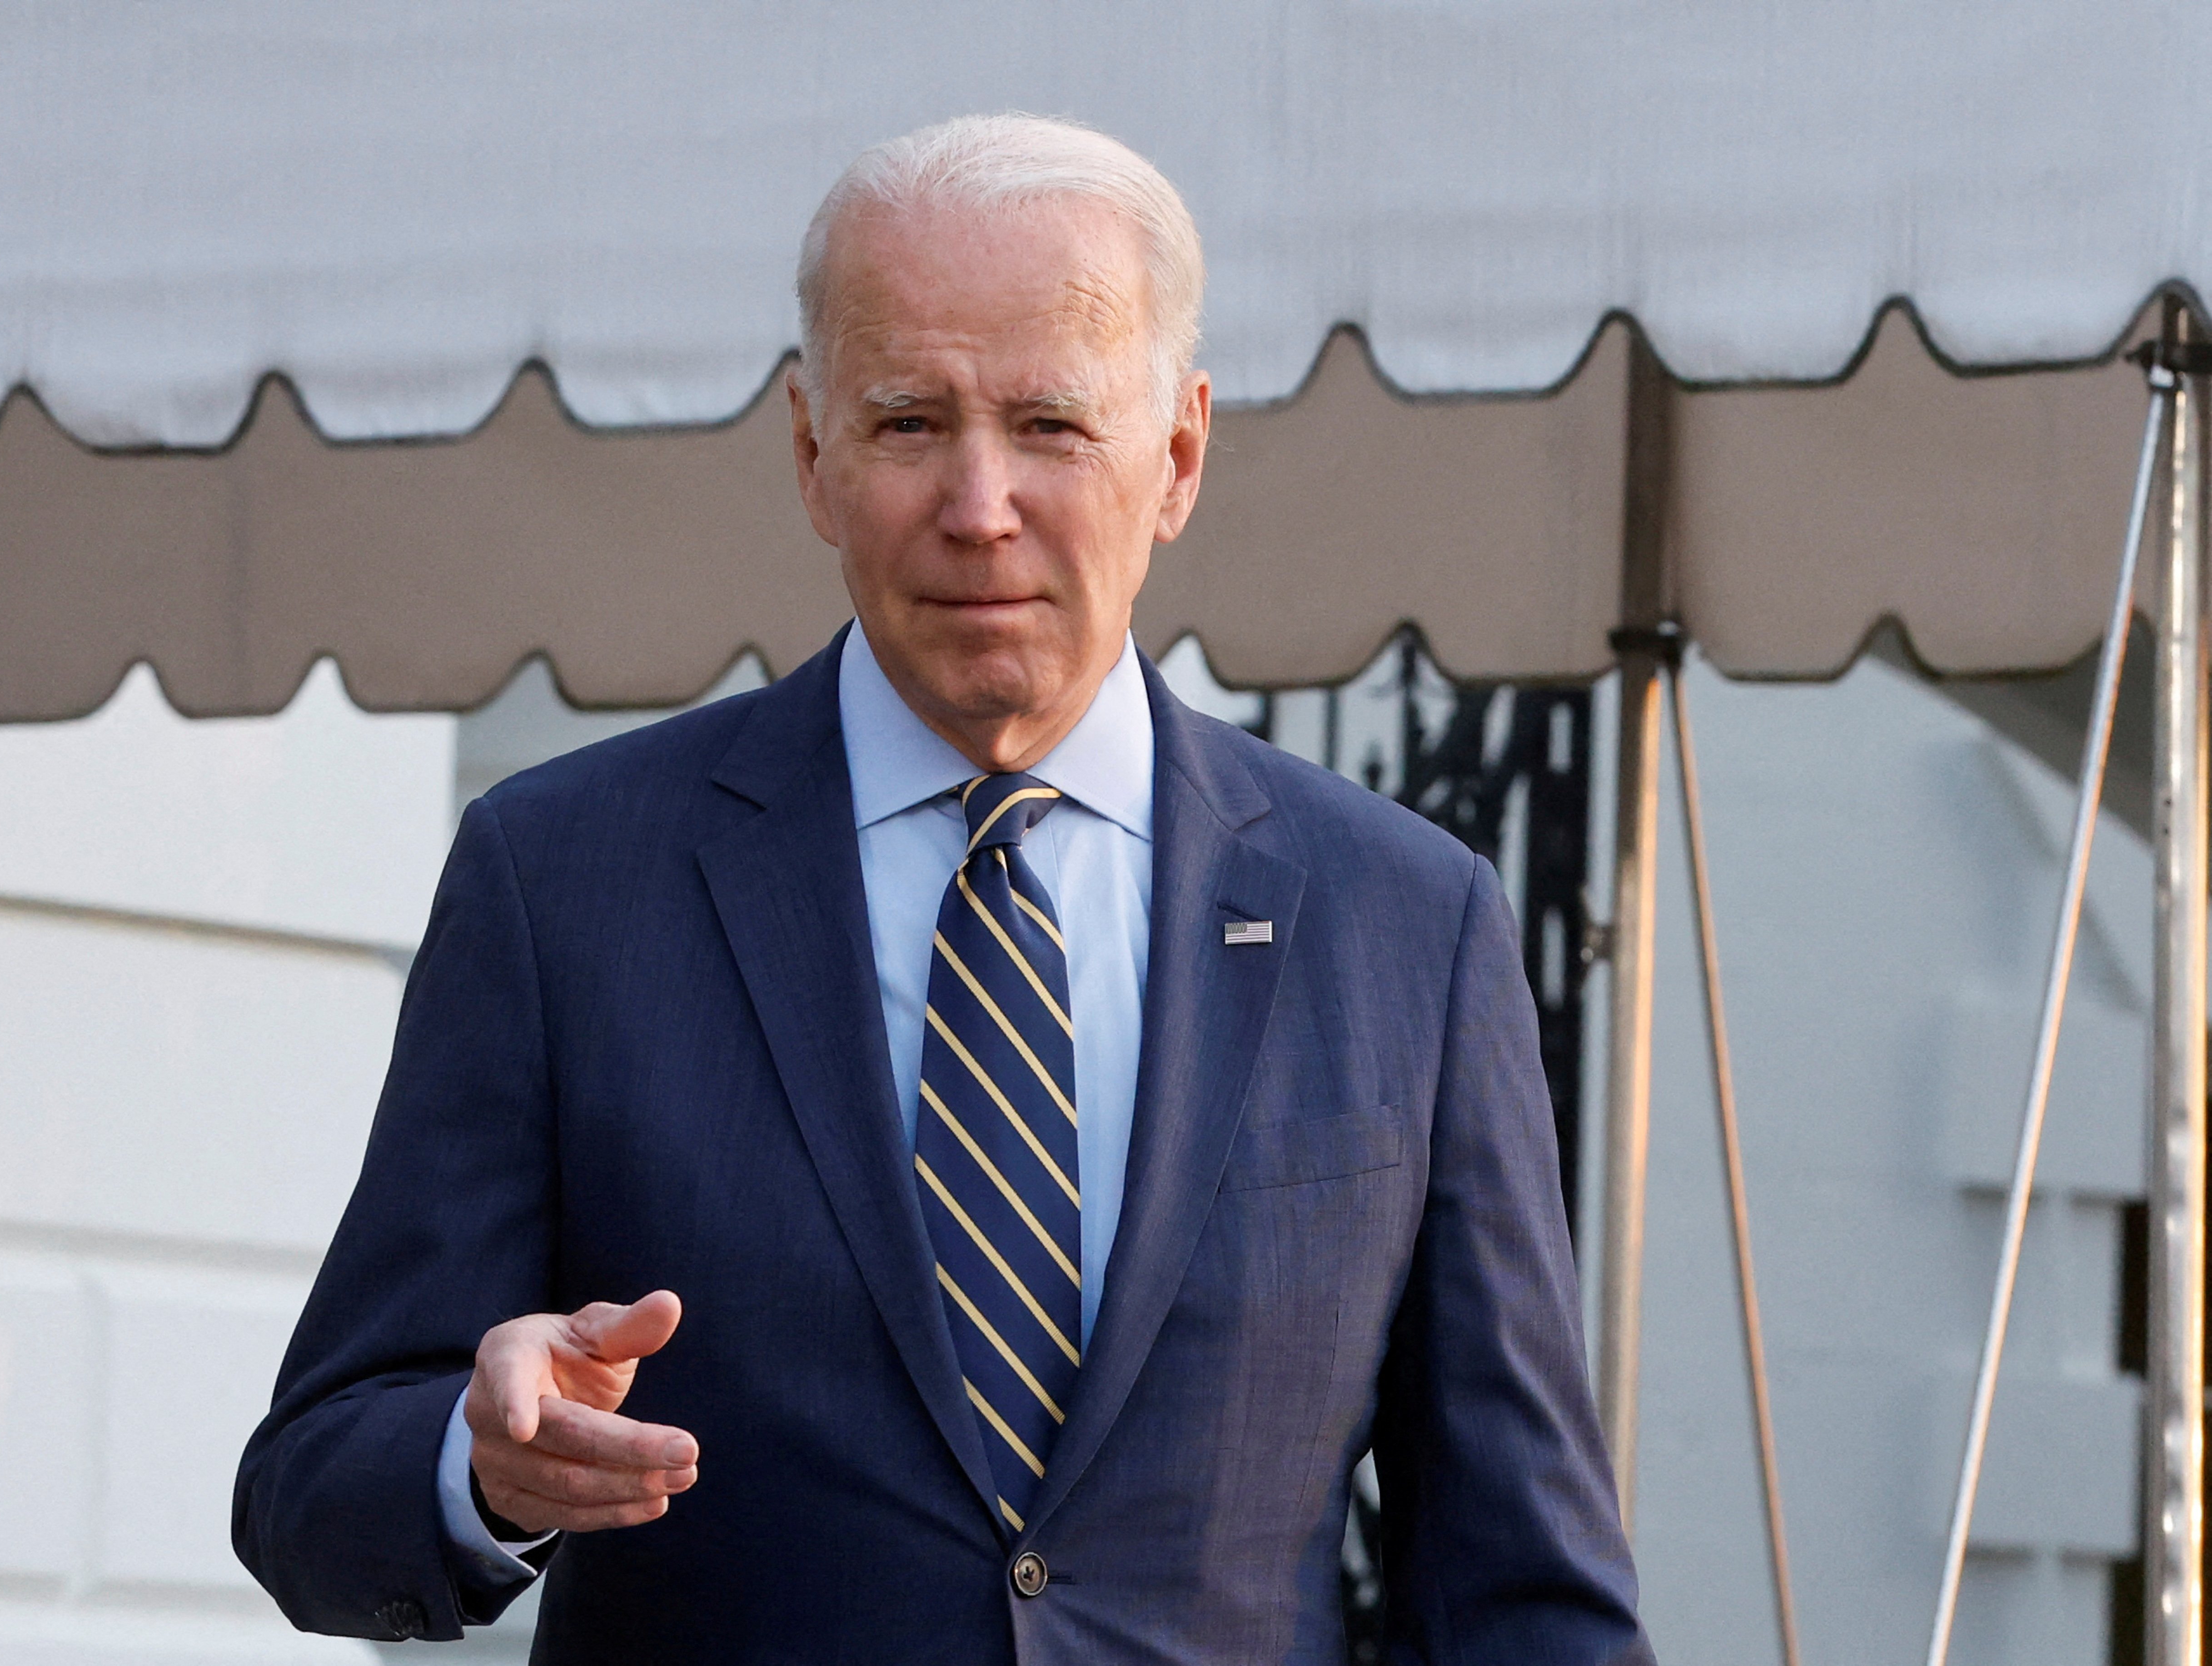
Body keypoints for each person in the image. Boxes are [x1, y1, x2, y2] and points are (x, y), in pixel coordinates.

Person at [234, 112, 1650, 1664]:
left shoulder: (1402, 922)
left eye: (1049, 425)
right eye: (910, 422)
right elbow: (312, 1488)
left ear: (1175, 457)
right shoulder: (565, 881)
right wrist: (476, 1462)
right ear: (810, 454)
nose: (979, 506)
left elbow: (1524, 1592)